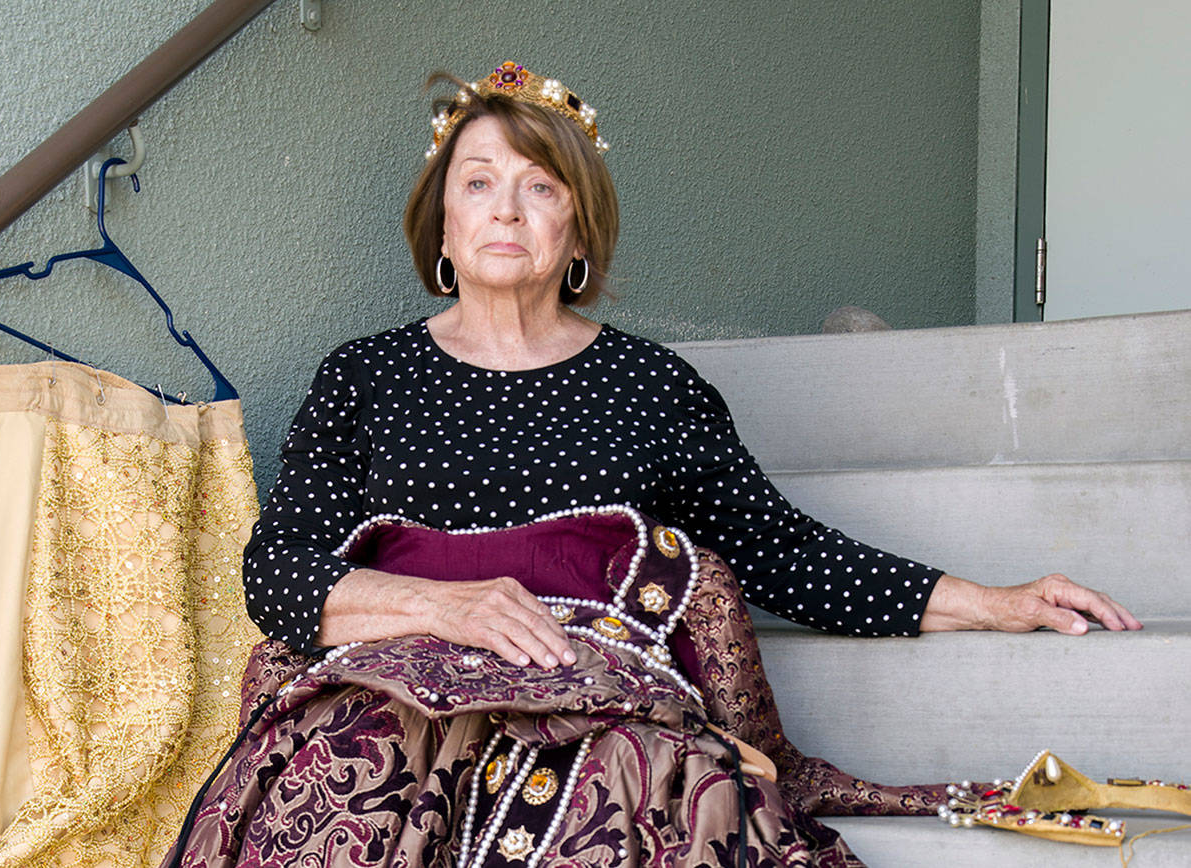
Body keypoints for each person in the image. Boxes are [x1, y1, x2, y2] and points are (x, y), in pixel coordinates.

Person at [171, 62, 1141, 867]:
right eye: (477, 181)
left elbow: (777, 549)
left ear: (579, 229)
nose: (506, 206)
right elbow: (279, 570)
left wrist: (992, 599)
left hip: (599, 694)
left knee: (645, 790)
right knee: (346, 782)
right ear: (439, 225)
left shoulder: (648, 384)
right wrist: (442, 607)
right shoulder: (367, 375)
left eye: (541, 185)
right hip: (392, 692)